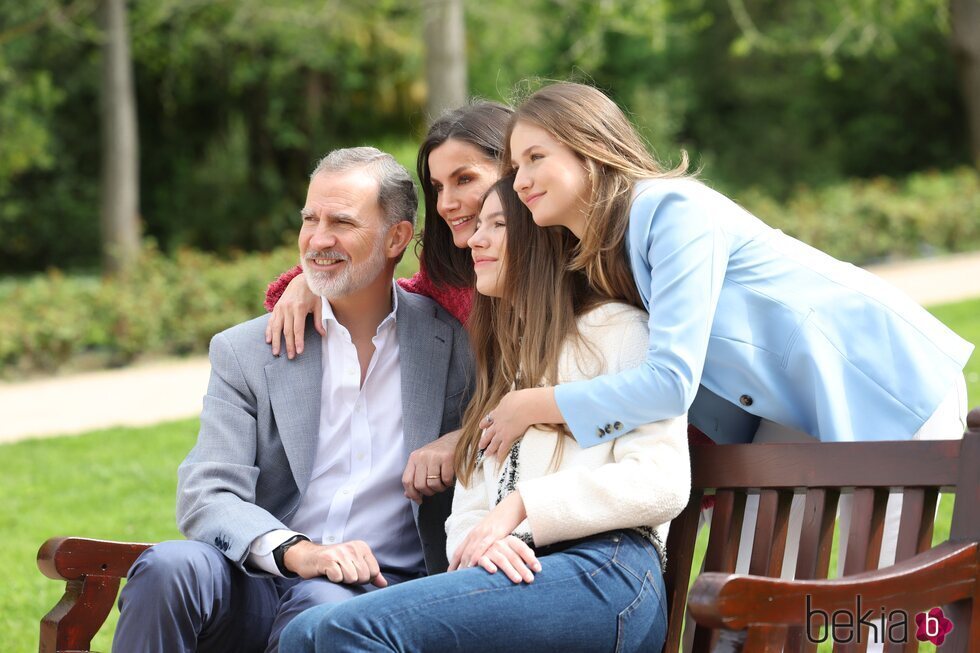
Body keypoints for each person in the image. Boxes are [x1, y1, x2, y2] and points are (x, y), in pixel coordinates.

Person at [479, 82, 972, 588]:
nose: (520, 182)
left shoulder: (670, 211)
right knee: (753, 592)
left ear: (591, 146)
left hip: (880, 379)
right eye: (516, 168)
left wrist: (535, 405)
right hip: (789, 409)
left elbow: (670, 382)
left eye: (536, 157)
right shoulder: (607, 252)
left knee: (876, 603)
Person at [279, 176, 690, 653]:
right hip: (520, 572)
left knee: (339, 632)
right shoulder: (506, 367)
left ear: (543, 240)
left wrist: (521, 509)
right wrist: (480, 544)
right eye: (478, 226)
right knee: (305, 632)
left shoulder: (618, 331)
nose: (475, 238)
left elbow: (662, 483)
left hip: (607, 572)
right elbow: (470, 511)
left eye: (497, 225)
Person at [111, 147, 474, 653]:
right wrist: (297, 551)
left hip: (375, 592)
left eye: (341, 222)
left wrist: (459, 441)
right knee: (169, 566)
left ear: (396, 237)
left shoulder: (453, 345)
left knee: (325, 611)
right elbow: (207, 492)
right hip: (259, 570)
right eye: (310, 218)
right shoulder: (244, 350)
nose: (318, 240)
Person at [262, 101, 514, 506]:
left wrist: (463, 439)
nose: (446, 202)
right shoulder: (453, 274)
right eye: (437, 187)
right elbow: (394, 291)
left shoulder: (569, 274)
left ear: (513, 170)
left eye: (464, 179)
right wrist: (310, 281)